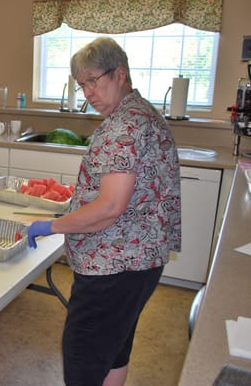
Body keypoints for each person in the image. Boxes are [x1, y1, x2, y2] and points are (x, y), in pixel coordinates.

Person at [27, 37, 181, 386]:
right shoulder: (141, 112)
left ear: (120, 74)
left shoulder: (124, 127)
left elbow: (110, 207)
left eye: (94, 81)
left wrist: (53, 226)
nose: (88, 92)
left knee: (83, 356)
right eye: (82, 85)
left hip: (113, 265)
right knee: (115, 348)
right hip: (139, 261)